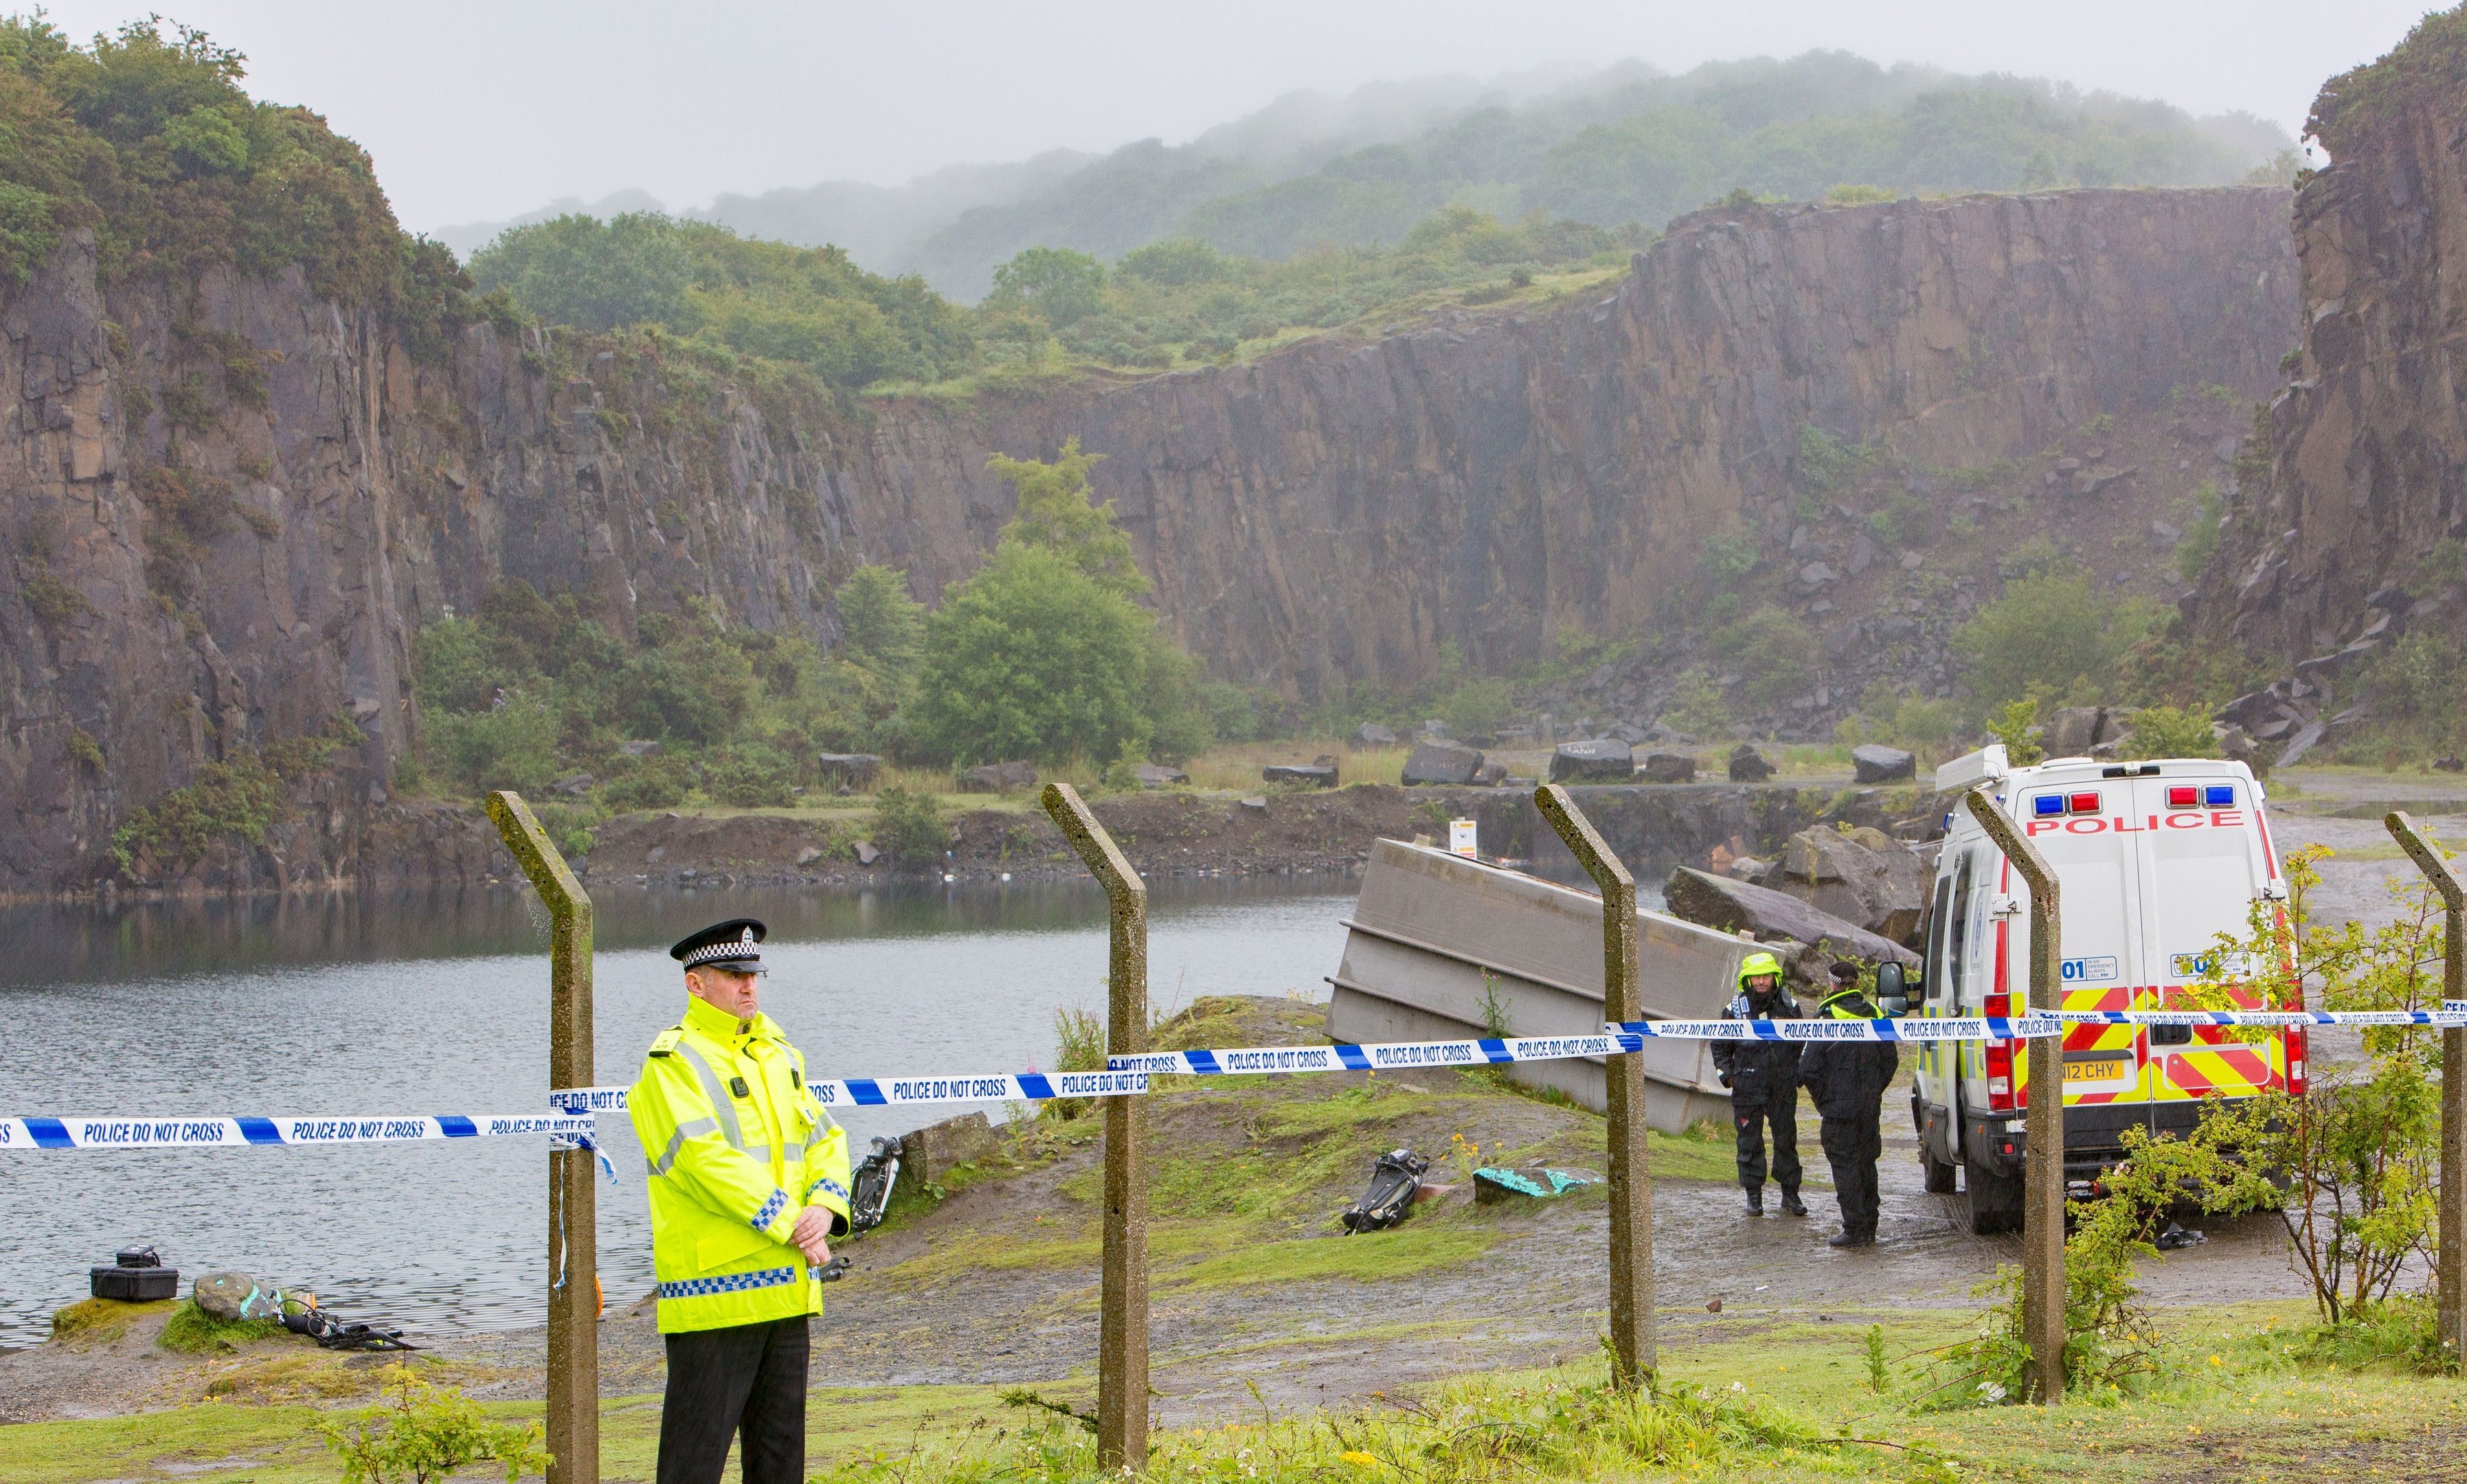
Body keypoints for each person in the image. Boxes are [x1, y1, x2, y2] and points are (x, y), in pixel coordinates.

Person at [631, 919, 852, 1484]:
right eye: (733, 976)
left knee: (781, 1464)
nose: (748, 987)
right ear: (696, 985)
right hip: (716, 1297)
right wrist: (794, 1224)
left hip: (786, 1291)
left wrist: (825, 1209)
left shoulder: (780, 1055)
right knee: (692, 1466)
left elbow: (825, 1138)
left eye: (754, 974)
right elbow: (706, 1162)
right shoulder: (672, 1065)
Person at [1798, 960, 1897, 1248]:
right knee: (1867, 1164)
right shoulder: (1876, 1014)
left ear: (1832, 984)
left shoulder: (1826, 1018)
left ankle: (1854, 1230)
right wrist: (1874, 1092)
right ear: (1857, 984)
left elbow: (1807, 1069)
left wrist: (1824, 1101)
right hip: (1868, 1107)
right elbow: (1890, 1061)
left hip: (1838, 1110)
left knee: (1846, 1167)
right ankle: (1869, 1228)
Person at [1711, 951, 1807, 1217]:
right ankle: (1754, 1196)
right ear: (1747, 980)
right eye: (1756, 977)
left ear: (1774, 977)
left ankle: (1791, 1195)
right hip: (1747, 1088)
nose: (1762, 981)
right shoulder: (1735, 1009)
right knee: (1749, 1144)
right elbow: (1719, 1045)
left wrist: (1798, 1074)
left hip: (1782, 1088)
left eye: (1766, 976)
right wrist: (1728, 1075)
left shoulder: (1790, 1006)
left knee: (1786, 1142)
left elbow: (1805, 1044)